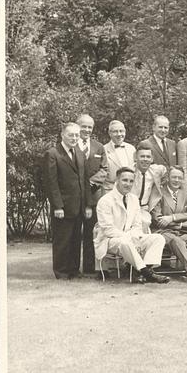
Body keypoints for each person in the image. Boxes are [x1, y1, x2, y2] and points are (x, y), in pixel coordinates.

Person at [93, 167, 169, 284]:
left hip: (131, 238)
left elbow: (137, 225)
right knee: (125, 242)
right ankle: (146, 273)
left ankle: (145, 271)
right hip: (109, 241)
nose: (128, 184)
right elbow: (108, 229)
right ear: (117, 181)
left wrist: (134, 236)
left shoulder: (133, 199)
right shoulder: (105, 201)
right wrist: (128, 237)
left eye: (131, 181)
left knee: (158, 238)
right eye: (124, 180)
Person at [43, 122, 92, 279]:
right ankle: (61, 272)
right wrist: (57, 206)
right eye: (71, 135)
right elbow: (51, 183)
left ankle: (74, 270)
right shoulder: (52, 154)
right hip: (62, 207)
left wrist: (87, 205)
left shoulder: (79, 152)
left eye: (77, 135)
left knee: (76, 240)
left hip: (78, 206)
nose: (74, 138)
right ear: (62, 135)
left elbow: (85, 181)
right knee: (62, 241)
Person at [150, 165, 187, 282]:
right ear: (167, 177)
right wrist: (182, 223)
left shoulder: (185, 195)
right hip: (163, 233)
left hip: (181, 231)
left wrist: (172, 218)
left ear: (183, 179)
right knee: (176, 241)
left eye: (179, 178)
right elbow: (158, 220)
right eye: (174, 177)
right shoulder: (159, 193)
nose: (177, 180)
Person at [76, 114, 108, 275]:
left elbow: (104, 169)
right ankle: (71, 268)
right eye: (84, 126)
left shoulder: (98, 147)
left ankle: (89, 268)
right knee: (73, 234)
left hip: (94, 196)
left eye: (90, 127)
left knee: (91, 233)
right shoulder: (71, 145)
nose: (87, 130)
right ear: (77, 126)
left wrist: (89, 183)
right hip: (74, 198)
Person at [131, 143, 167, 232]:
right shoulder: (129, 171)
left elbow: (165, 170)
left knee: (145, 221)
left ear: (152, 159)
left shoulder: (155, 171)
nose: (145, 159)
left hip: (144, 208)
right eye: (142, 156)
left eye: (148, 157)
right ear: (135, 158)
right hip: (128, 207)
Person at [102, 120, 136, 191]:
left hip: (130, 190)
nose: (119, 134)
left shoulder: (131, 148)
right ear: (109, 133)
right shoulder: (103, 150)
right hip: (110, 191)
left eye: (121, 131)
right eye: (115, 131)